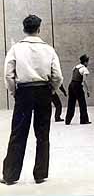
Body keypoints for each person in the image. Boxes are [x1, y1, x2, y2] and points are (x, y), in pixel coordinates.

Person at [1, 15, 63, 185]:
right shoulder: (49, 49)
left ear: (24, 29)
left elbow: (8, 74)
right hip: (43, 91)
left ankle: (10, 176)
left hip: (24, 92)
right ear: (39, 29)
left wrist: (15, 92)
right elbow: (58, 76)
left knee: (18, 133)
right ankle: (40, 174)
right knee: (42, 133)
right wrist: (50, 90)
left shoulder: (16, 48)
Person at [65, 54, 91, 125]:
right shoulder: (84, 69)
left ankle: (67, 120)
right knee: (82, 103)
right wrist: (87, 90)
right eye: (87, 62)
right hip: (77, 86)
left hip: (71, 85)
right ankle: (84, 120)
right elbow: (84, 81)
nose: (88, 63)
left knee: (71, 103)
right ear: (85, 62)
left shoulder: (75, 67)